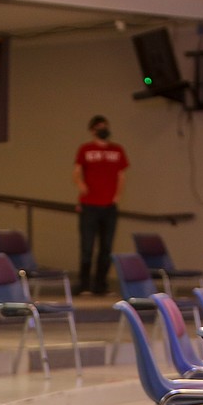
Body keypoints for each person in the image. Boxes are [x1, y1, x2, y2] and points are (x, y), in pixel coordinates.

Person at [72, 114, 128, 295]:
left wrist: (117, 196)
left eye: (106, 126)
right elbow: (76, 171)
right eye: (99, 127)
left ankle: (100, 285)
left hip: (109, 206)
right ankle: (84, 285)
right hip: (89, 205)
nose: (103, 129)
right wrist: (81, 185)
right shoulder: (85, 149)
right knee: (87, 246)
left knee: (106, 247)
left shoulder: (117, 150)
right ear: (92, 130)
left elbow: (121, 175)